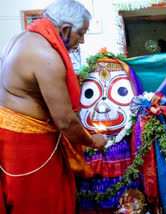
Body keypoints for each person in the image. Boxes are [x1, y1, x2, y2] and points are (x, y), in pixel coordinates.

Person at [0, 0, 106, 213]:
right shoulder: (45, 55)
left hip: (11, 136)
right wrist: (93, 141)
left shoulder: (20, 39)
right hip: (29, 145)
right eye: (81, 34)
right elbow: (65, 121)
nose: (82, 41)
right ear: (65, 29)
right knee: (42, 203)